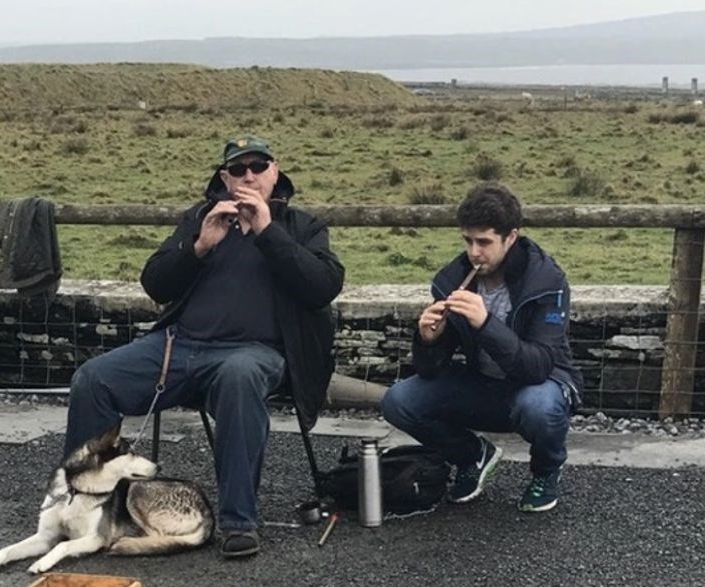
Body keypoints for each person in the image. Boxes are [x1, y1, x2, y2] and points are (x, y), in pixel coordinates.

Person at [64, 135, 345, 557]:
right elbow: (155, 283)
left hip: (256, 352)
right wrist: (199, 246)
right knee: (92, 379)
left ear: (275, 171)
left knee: (239, 375)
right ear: (224, 177)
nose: (248, 176)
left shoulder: (301, 227)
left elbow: (322, 287)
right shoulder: (201, 217)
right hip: (180, 346)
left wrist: (268, 231)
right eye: (238, 169)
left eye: (258, 167)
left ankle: (238, 522)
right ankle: (85, 510)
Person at [382, 182, 582, 512]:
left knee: (541, 407)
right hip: (483, 385)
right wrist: (428, 340)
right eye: (468, 241)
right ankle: (473, 456)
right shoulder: (451, 278)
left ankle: (546, 471)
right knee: (398, 401)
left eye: (485, 242)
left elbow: (539, 366)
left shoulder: (546, 280)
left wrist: (486, 324)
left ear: (511, 237)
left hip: (537, 386)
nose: (474, 252)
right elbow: (432, 370)